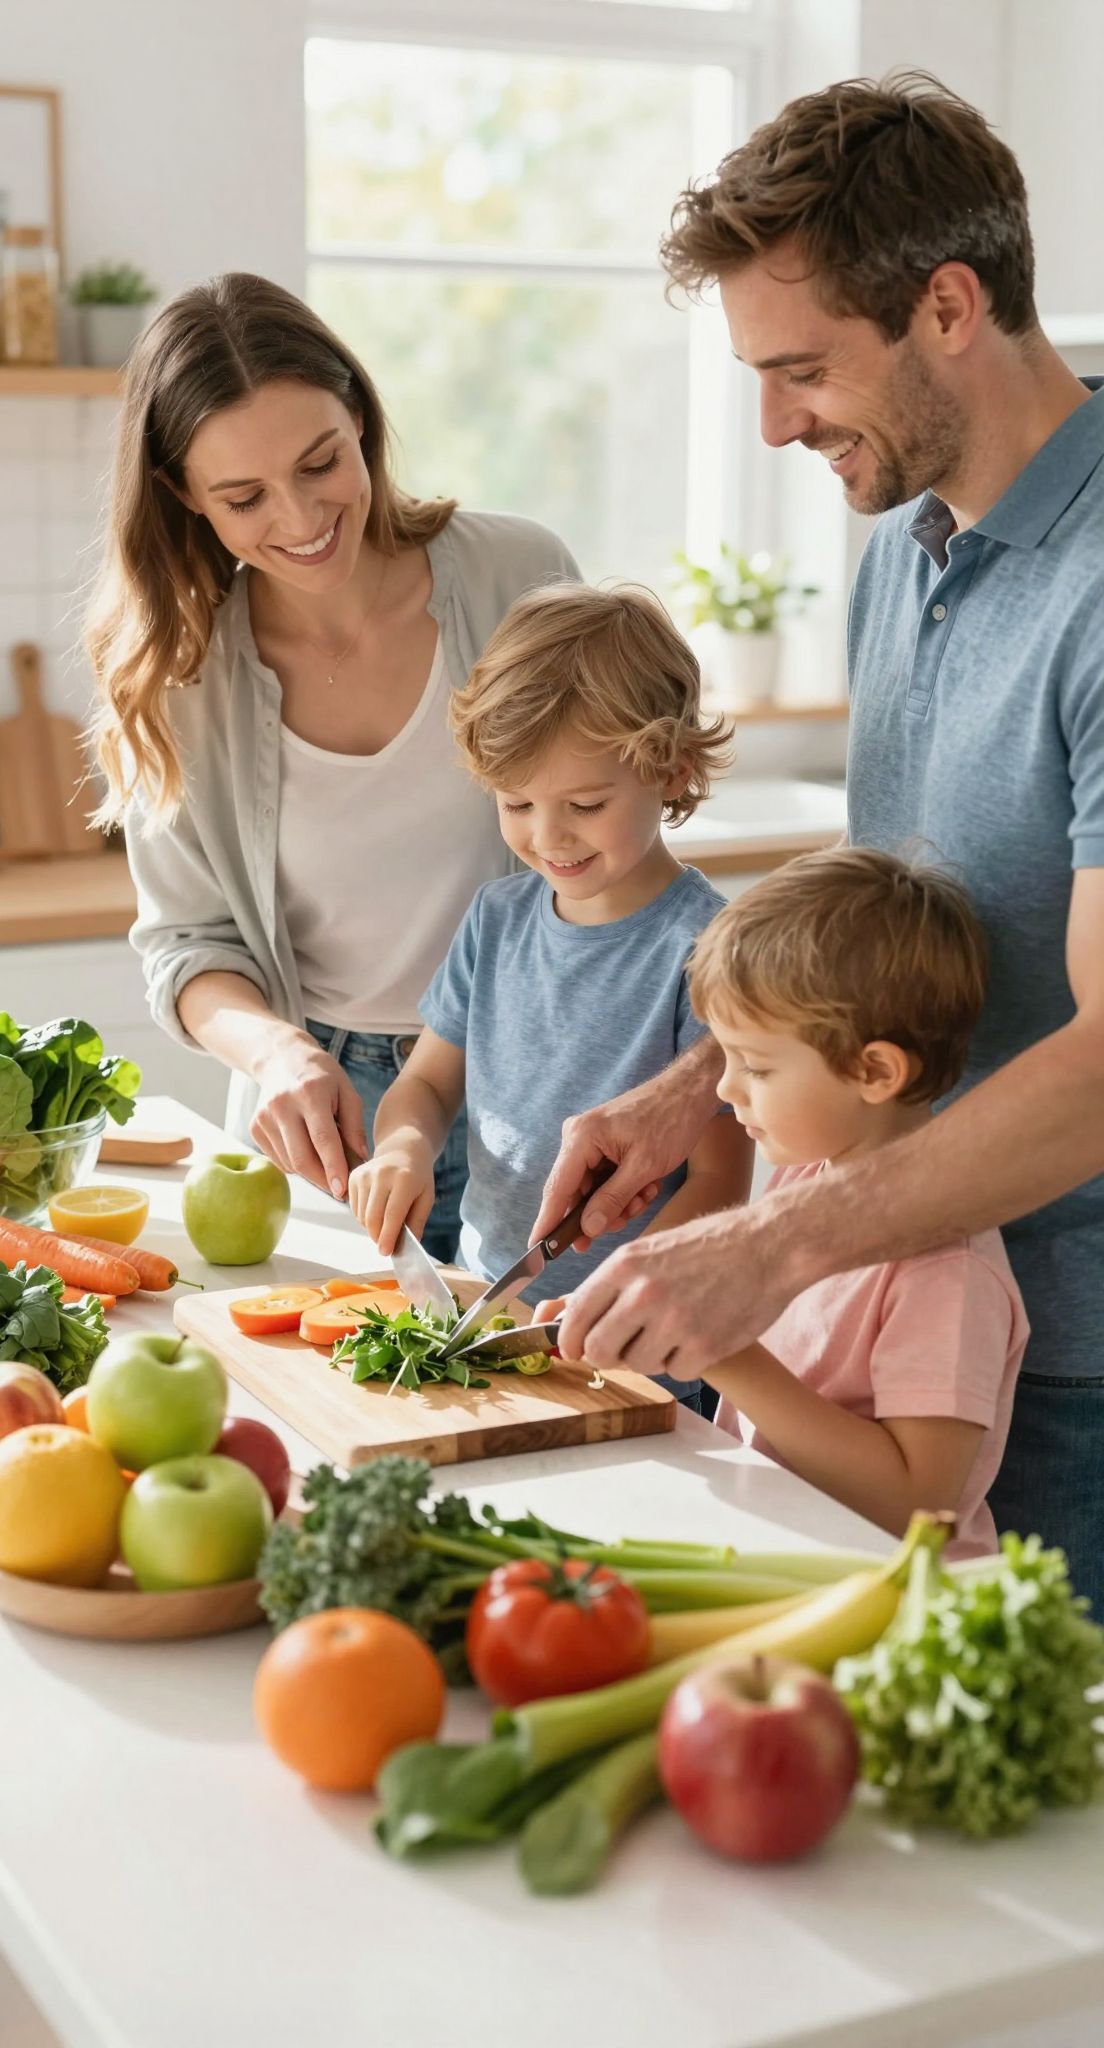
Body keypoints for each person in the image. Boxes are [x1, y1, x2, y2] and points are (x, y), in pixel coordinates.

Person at [529, 74, 1104, 1607]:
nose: (778, 425)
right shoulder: (904, 556)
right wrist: (694, 1089)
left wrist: (770, 1251)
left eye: (804, 371)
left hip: (1070, 1364)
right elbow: (877, 949)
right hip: (875, 1318)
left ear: (950, 306)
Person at [86, 273, 578, 1262]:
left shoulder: (520, 578)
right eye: (244, 497)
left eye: (321, 462)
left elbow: (617, 822)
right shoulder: (180, 675)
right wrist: (276, 1054)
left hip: (533, 1077)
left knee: (546, 1355)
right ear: (185, 495)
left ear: (359, 416)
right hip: (326, 1116)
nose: (302, 516)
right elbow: (185, 945)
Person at [346, 582, 753, 1410]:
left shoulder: (709, 950)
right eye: (517, 803)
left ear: (672, 770)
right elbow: (425, 1086)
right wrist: (402, 1148)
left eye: (586, 804)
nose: (547, 835)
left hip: (640, 1354)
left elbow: (721, 1181)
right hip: (487, 1327)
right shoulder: (497, 919)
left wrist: (625, 1291)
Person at [649, 848, 1026, 1547]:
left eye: (756, 1066)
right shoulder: (808, 1175)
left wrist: (720, 1351)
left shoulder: (948, 1270)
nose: (725, 1089)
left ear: (874, 1071)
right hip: (784, 1555)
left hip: (882, 1597)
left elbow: (918, 1508)